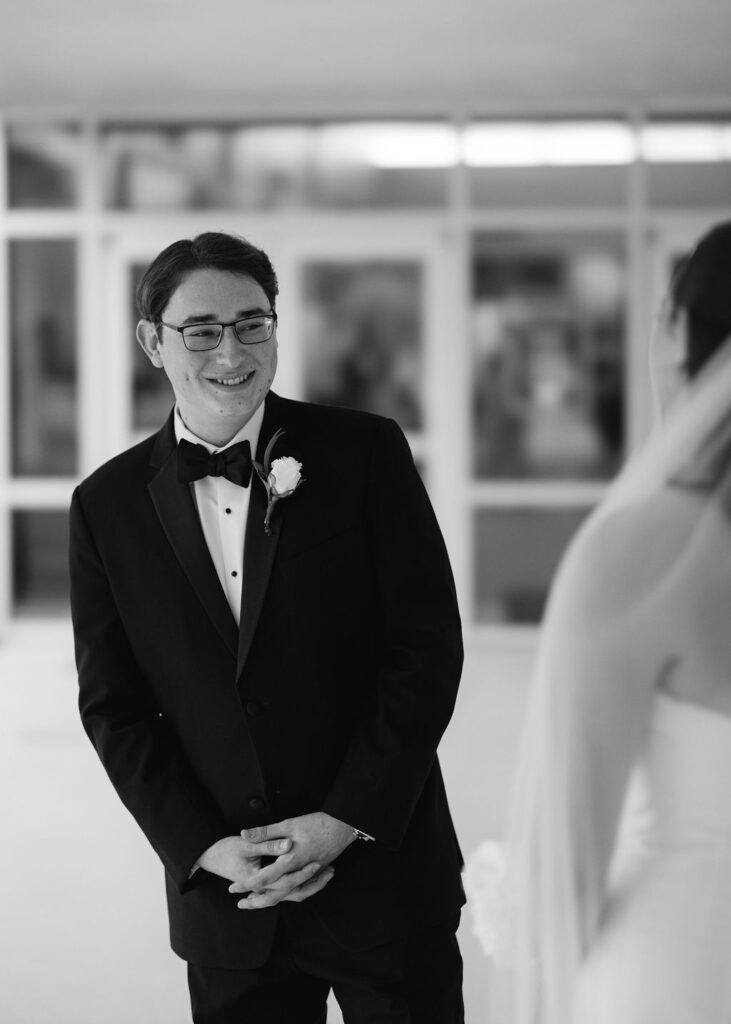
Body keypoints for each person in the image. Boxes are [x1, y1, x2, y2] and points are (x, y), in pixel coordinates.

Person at [69, 231, 465, 1023]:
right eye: (202, 329)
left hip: (383, 879)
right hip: (231, 904)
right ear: (153, 341)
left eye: (253, 324)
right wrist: (206, 849)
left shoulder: (366, 453)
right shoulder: (104, 507)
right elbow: (113, 707)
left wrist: (343, 818)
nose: (232, 351)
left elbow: (424, 651)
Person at [467, 220, 731, 1023]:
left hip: (678, 970)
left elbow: (563, 887)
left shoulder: (640, 554)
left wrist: (506, 902)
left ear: (682, 336)